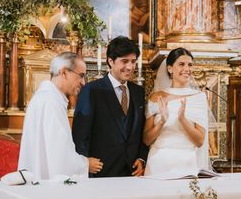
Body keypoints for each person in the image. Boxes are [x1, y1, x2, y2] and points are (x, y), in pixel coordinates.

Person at [18, 52, 103, 179]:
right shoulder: (51, 102)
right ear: (64, 72)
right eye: (81, 76)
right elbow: (59, 153)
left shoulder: (45, 97)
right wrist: (85, 164)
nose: (83, 82)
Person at [72, 36, 148, 177]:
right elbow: (80, 133)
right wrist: (84, 162)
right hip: (100, 171)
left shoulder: (138, 92)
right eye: (124, 61)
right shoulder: (91, 90)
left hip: (132, 172)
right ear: (111, 61)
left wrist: (141, 158)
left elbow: (141, 130)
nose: (130, 67)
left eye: (133, 61)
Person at [143, 48, 210, 178]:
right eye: (181, 64)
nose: (187, 69)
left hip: (186, 161)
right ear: (170, 69)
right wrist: (162, 121)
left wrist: (182, 119)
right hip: (158, 161)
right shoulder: (156, 97)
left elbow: (200, 141)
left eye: (190, 65)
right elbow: (146, 140)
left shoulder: (199, 97)